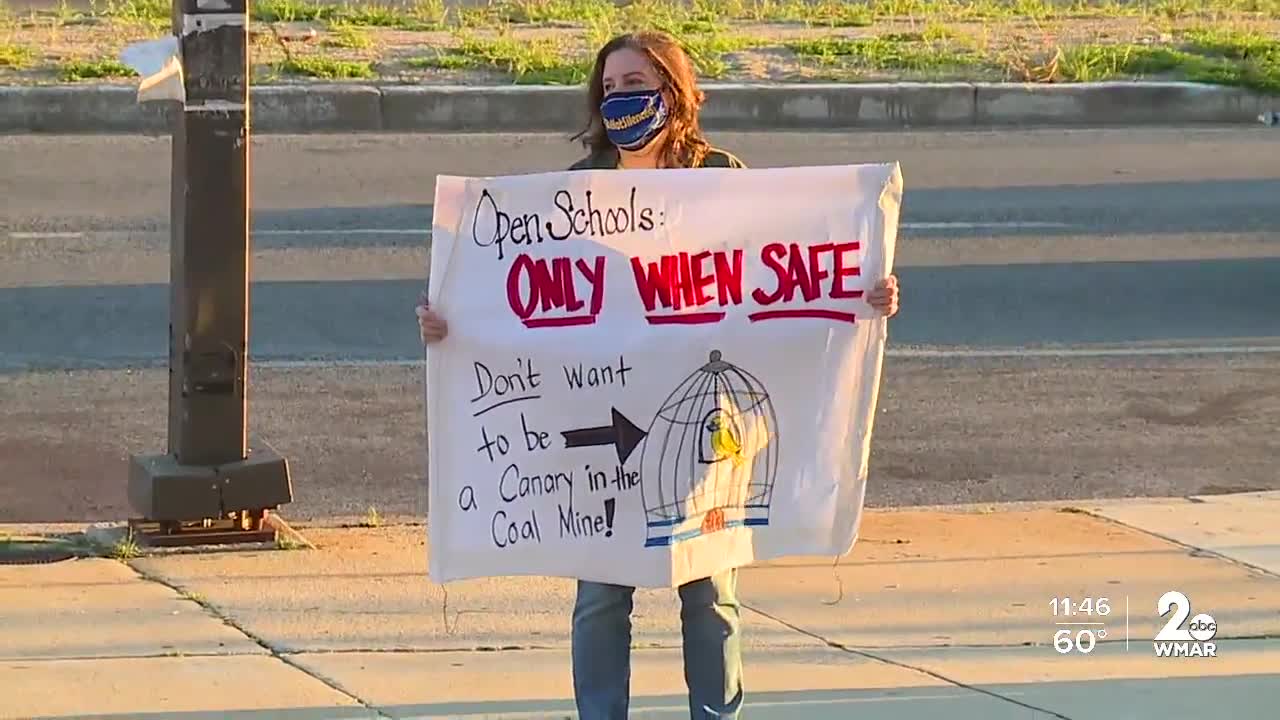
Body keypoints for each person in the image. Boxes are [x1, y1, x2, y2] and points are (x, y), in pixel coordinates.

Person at [415, 29, 900, 720]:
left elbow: (776, 277)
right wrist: (448, 320)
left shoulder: (722, 179)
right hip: (605, 418)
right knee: (602, 593)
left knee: (708, 589)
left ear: (674, 92)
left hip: (703, 424)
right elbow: (513, 294)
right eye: (610, 88)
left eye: (637, 85)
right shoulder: (577, 189)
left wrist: (864, 295)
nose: (621, 100)